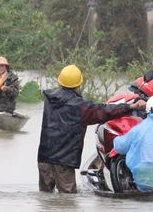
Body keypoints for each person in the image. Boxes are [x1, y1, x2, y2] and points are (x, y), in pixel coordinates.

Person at [37, 64, 146, 193]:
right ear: (78, 84)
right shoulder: (80, 106)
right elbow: (104, 111)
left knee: (45, 196)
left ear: (60, 82)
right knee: (67, 200)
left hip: (44, 156)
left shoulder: (49, 99)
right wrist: (130, 107)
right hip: (64, 161)